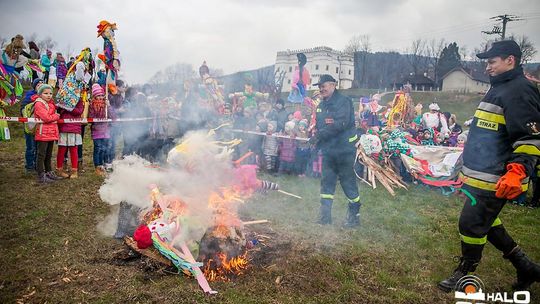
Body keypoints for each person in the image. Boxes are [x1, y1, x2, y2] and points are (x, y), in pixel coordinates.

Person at [438, 40, 540, 292]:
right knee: (487, 222)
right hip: (480, 174)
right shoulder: (498, 88)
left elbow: (529, 138)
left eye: (492, 62)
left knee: (471, 224)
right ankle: (526, 267)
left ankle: (465, 271)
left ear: (510, 60)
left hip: (498, 177)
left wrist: (518, 172)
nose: (487, 68)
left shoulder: (520, 90)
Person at [311, 74, 360, 228]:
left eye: (323, 85)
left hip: (345, 150)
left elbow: (340, 124)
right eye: (319, 86)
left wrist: (320, 135)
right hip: (328, 152)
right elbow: (321, 128)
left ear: (333, 85)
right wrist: (316, 144)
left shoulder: (344, 102)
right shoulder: (320, 106)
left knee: (347, 182)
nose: (321, 88)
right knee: (327, 182)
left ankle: (354, 216)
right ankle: (325, 216)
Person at [34, 84, 60, 183]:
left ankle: (49, 172)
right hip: (42, 132)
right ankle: (41, 174)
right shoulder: (39, 104)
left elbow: (49, 116)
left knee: (49, 154)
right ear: (40, 94)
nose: (49, 95)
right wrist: (56, 116)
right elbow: (46, 118)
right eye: (45, 93)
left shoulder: (51, 104)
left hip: (51, 132)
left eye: (50, 93)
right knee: (41, 155)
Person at [21, 78, 43, 173]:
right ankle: (29, 166)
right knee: (31, 147)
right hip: (30, 126)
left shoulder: (46, 96)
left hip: (40, 126)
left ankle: (37, 165)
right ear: (34, 86)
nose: (40, 85)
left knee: (39, 147)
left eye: (42, 83)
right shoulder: (29, 97)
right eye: (38, 84)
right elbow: (23, 110)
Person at [89, 84, 110, 176]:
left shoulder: (106, 105)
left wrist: (108, 106)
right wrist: (96, 108)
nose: (101, 97)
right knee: (98, 148)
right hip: (97, 130)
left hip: (106, 130)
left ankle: (103, 164)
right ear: (94, 96)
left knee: (104, 148)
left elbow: (112, 116)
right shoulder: (92, 105)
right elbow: (91, 117)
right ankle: (97, 166)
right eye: (98, 95)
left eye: (102, 95)